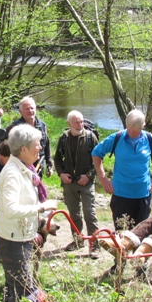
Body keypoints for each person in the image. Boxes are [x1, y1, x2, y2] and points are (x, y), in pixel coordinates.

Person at [0, 124, 58, 302]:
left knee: (16, 287)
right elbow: (12, 209)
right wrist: (41, 208)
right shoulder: (13, 173)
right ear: (23, 149)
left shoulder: (26, 168)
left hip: (19, 236)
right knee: (23, 290)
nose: (40, 147)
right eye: (37, 144)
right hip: (12, 240)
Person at [92, 109, 152, 230]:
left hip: (143, 193)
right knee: (121, 231)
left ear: (143, 126)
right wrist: (103, 178)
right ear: (126, 124)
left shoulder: (149, 139)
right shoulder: (116, 138)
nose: (132, 133)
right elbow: (96, 153)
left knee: (140, 232)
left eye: (136, 130)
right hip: (120, 194)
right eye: (130, 129)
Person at [54, 110, 100, 258]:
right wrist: (61, 174)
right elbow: (57, 160)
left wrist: (88, 176)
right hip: (69, 183)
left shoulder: (90, 137)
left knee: (90, 214)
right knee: (74, 214)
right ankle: (78, 241)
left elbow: (98, 160)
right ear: (69, 124)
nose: (80, 125)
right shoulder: (64, 138)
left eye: (81, 122)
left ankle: (94, 245)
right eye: (76, 122)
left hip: (86, 183)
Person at [6, 97, 53, 177]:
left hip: (38, 166)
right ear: (21, 111)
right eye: (27, 109)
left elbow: (47, 145)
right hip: (21, 167)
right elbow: (3, 144)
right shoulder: (14, 127)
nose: (30, 111)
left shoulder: (42, 125)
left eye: (32, 108)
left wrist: (49, 164)